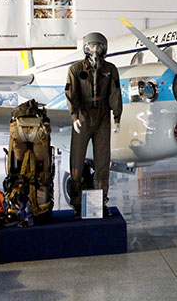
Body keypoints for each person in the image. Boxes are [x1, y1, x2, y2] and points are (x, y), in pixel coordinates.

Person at [65, 32, 122, 217]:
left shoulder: (110, 69)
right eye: (92, 45)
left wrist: (117, 116)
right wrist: (74, 116)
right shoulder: (75, 69)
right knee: (77, 162)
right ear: (85, 47)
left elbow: (115, 92)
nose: (96, 49)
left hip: (103, 117)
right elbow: (71, 94)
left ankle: (100, 202)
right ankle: (76, 203)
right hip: (83, 116)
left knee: (103, 162)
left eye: (99, 45)